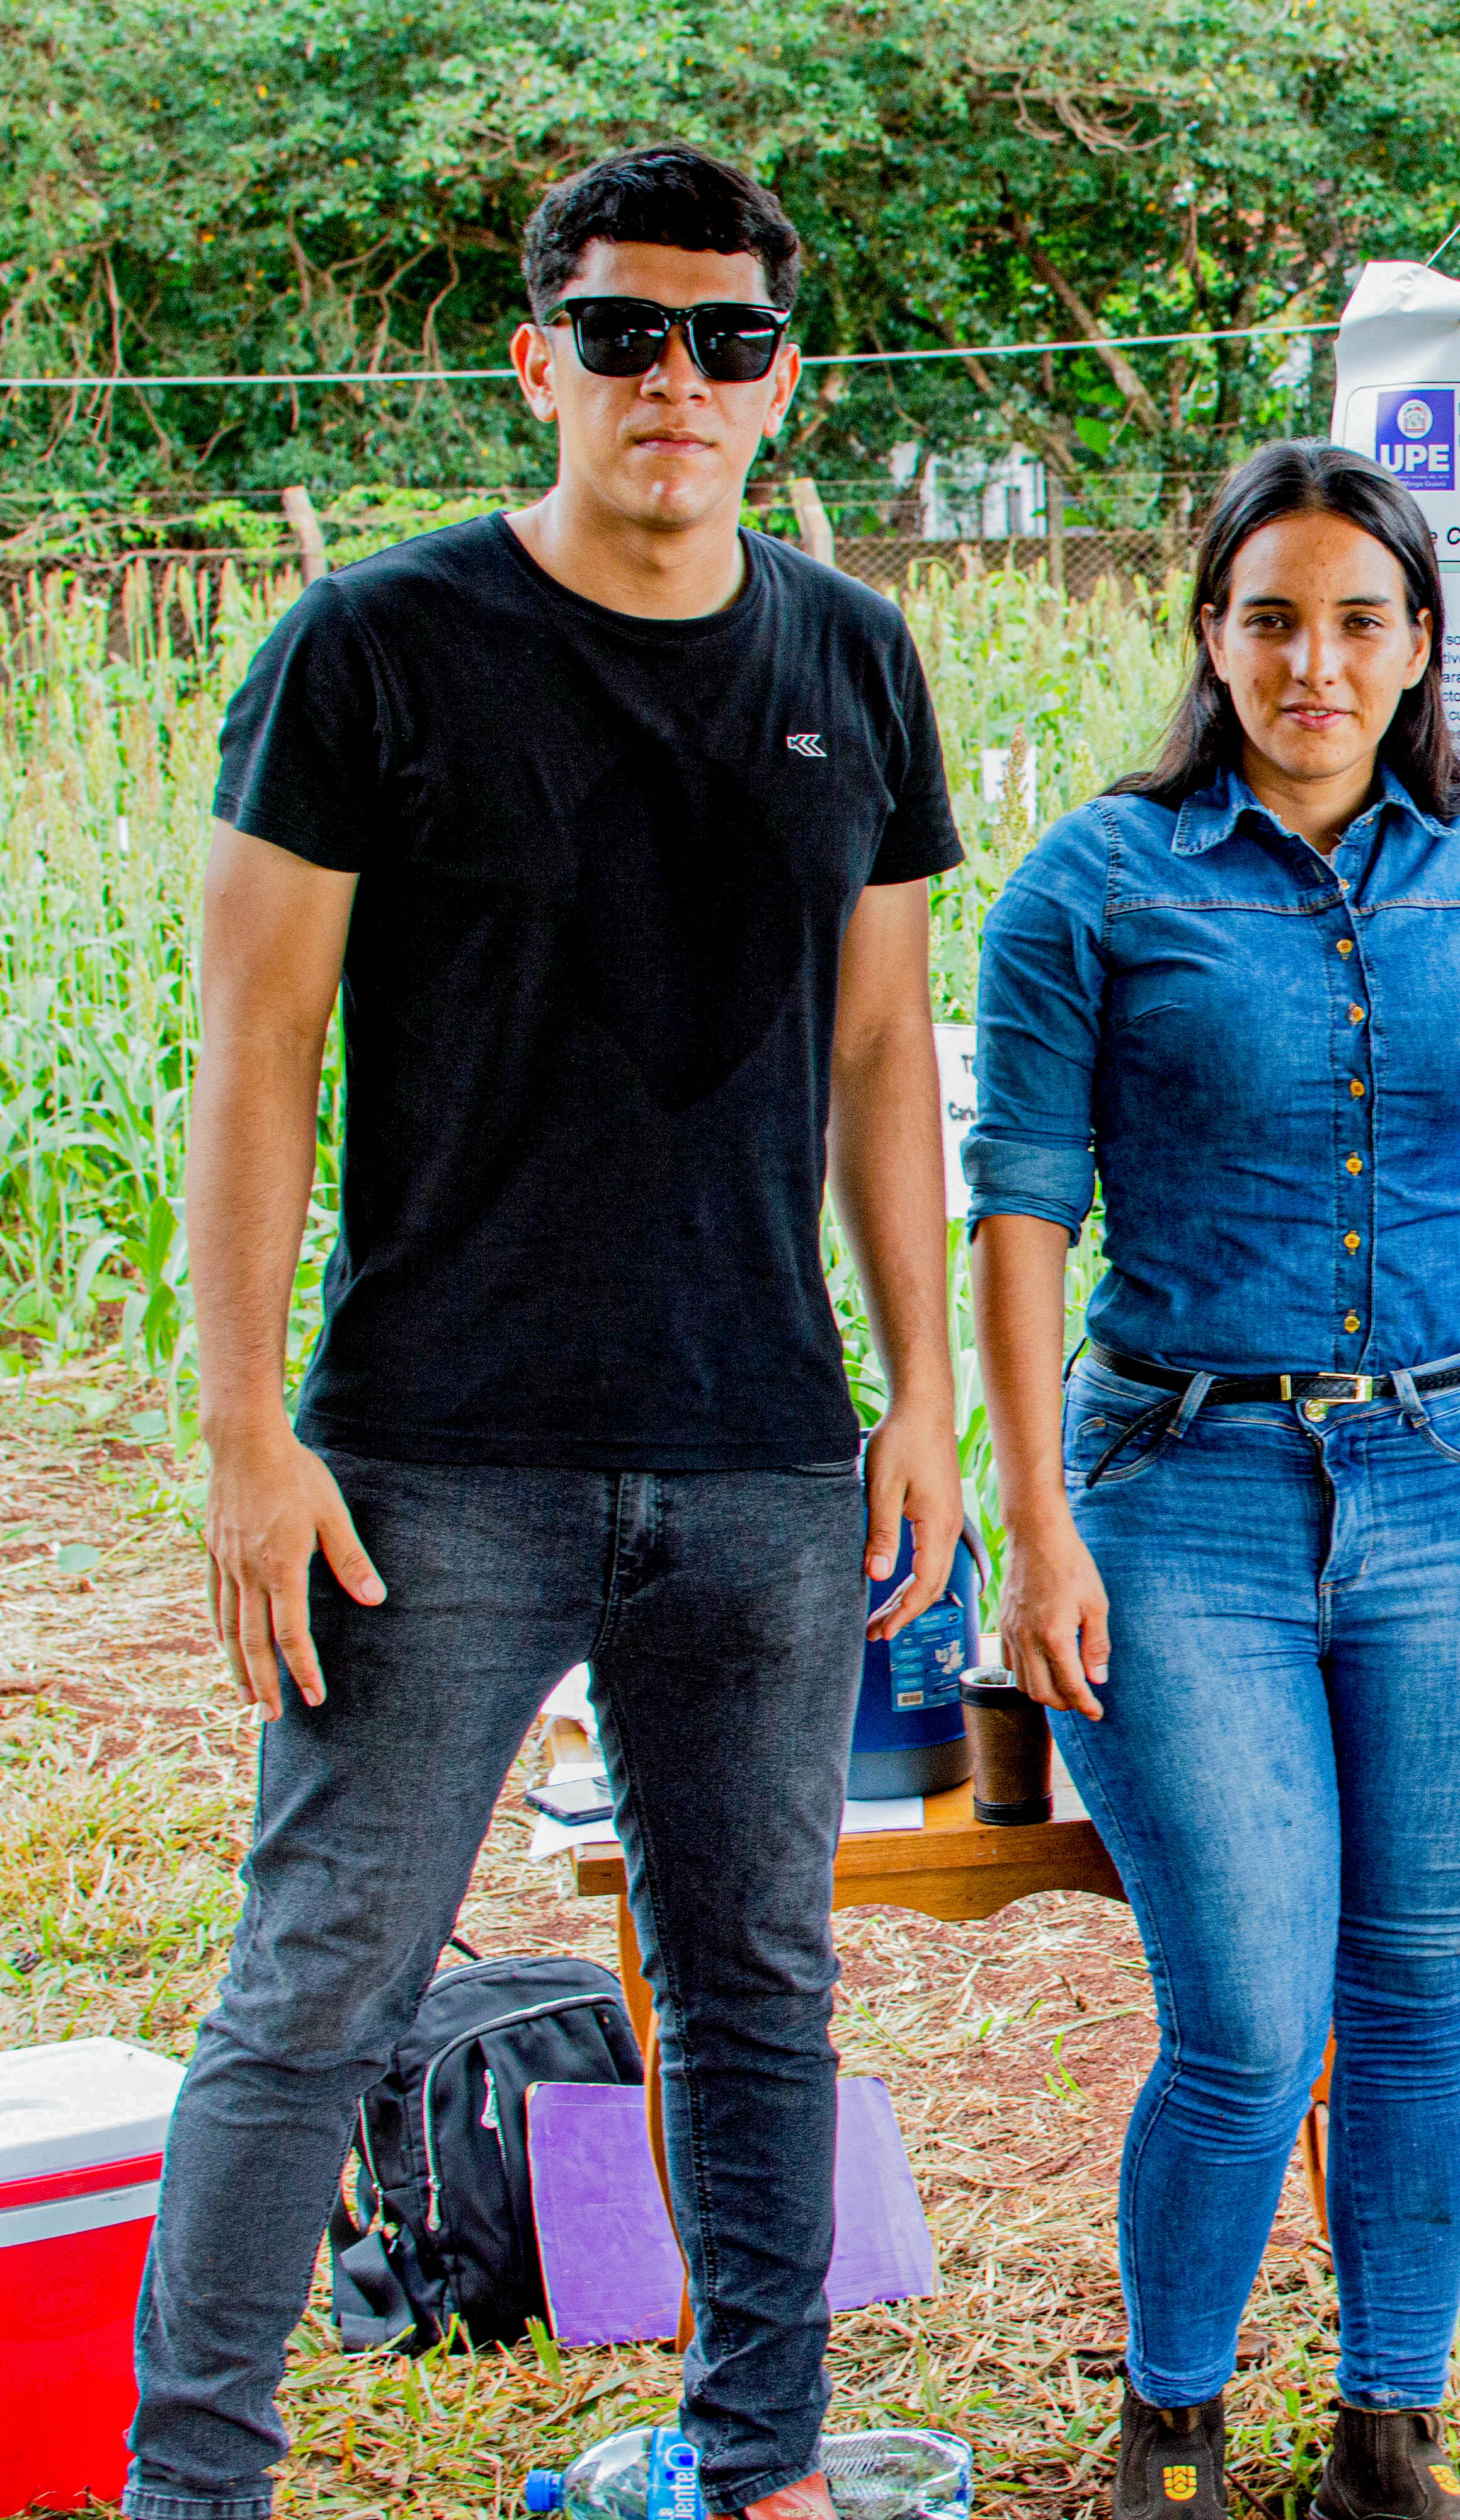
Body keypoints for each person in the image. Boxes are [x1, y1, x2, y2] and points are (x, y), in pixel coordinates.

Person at [140, 144, 966, 2520]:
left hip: (759, 1460)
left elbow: (885, 1054)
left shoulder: (854, 659)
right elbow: (256, 1054)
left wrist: (920, 1398)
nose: (673, 382)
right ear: (542, 362)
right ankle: (191, 2487)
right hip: (432, 1460)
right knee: (317, 1991)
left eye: (723, 341)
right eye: (624, 335)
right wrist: (241, 1433)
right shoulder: (368, 653)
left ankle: (765, 2463)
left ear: (781, 384)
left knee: (759, 1990)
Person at [966, 441, 1460, 2520]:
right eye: (1272, 617)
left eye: (1362, 620)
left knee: (1426, 1991)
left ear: (1419, 643)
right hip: (1188, 1497)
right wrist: (1041, 1520)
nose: (1315, 661)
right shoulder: (1097, 884)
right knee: (1252, 2015)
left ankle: (1390, 2428)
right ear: (1210, 636)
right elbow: (1019, 1214)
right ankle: (1173, 2425)